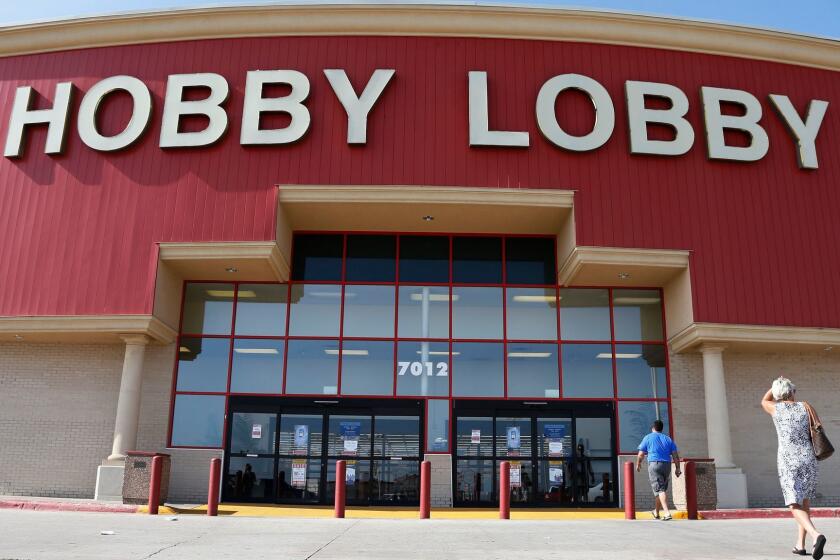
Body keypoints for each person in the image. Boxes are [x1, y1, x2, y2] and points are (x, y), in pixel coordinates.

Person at [761, 377, 827, 559]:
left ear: (777, 394)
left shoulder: (775, 408)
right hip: (809, 457)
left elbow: (764, 400)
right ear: (792, 391)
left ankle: (816, 535)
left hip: (788, 459)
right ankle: (800, 545)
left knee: (793, 503)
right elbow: (818, 427)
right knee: (804, 501)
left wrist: (774, 385)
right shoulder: (806, 406)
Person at [635, 419, 680, 521]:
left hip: (654, 464)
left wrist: (638, 464)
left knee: (660, 490)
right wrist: (677, 468)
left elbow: (641, 454)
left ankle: (667, 512)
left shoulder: (648, 437)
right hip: (667, 465)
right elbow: (675, 455)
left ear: (653, 428)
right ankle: (656, 512)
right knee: (660, 490)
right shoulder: (668, 439)